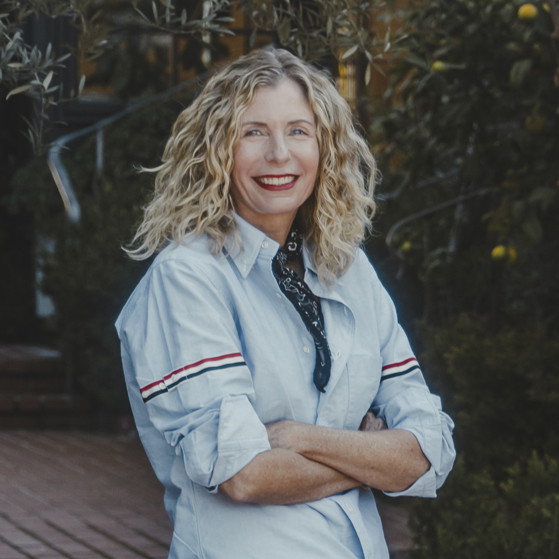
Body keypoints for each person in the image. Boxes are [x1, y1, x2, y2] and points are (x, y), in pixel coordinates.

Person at [115, 48, 455, 559]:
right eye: (253, 132)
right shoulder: (187, 277)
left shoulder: (350, 270)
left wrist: (295, 437)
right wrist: (371, 457)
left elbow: (431, 453)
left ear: (326, 148)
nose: (279, 154)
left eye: (299, 130)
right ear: (216, 150)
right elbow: (243, 473)